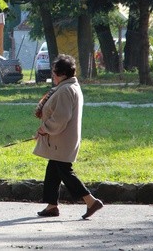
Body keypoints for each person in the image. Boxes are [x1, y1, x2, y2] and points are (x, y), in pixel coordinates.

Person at [33, 54, 103, 219]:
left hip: (62, 140)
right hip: (61, 139)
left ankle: (91, 201)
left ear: (61, 74)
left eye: (54, 72)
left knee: (65, 172)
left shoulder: (65, 90)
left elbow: (61, 118)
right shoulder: (69, 87)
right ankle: (52, 206)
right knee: (53, 171)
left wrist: (44, 129)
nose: (53, 76)